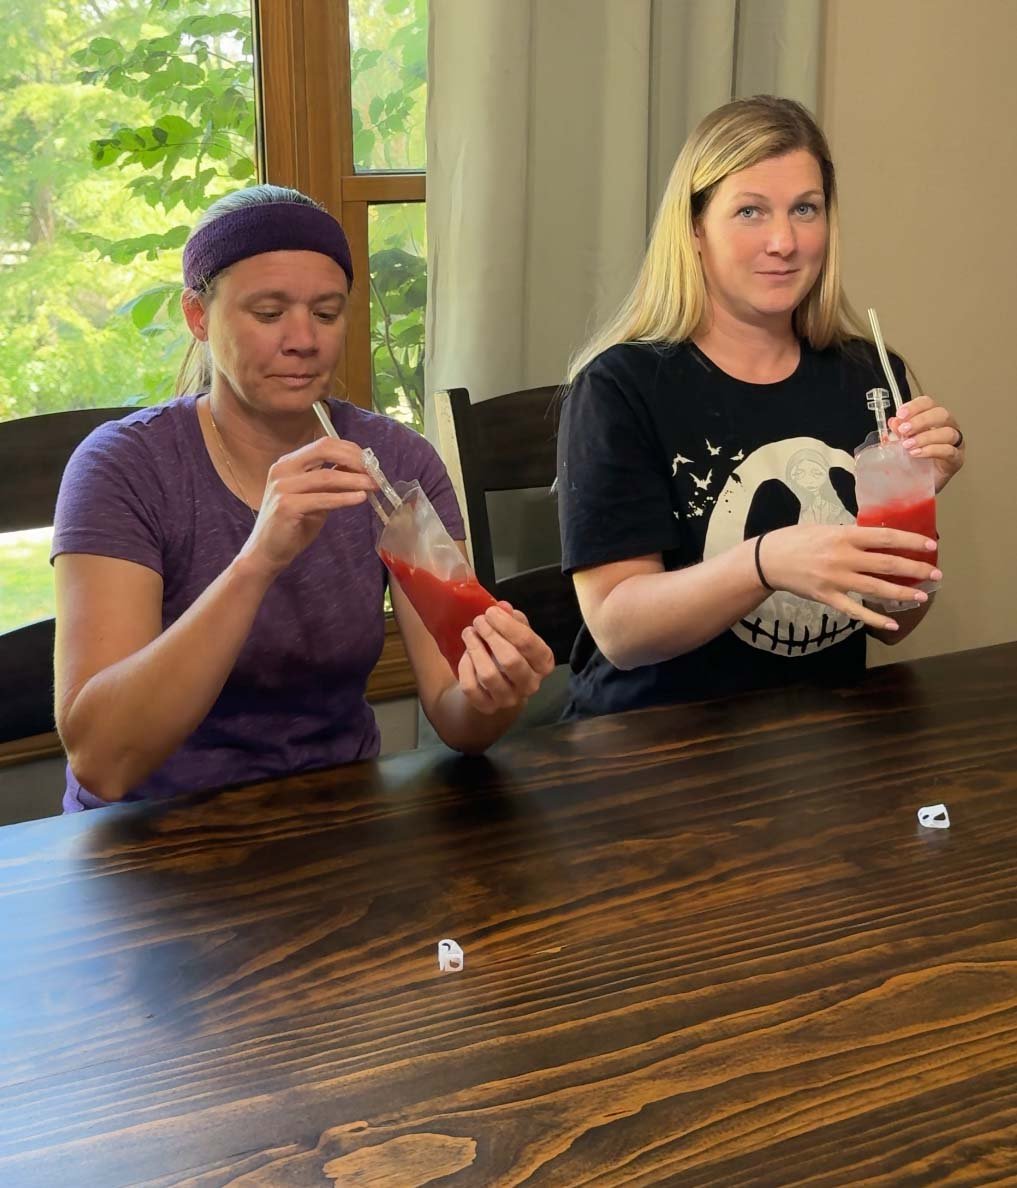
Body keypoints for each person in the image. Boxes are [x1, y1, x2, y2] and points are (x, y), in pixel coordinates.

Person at [52, 184, 554, 811]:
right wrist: (257, 561)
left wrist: (493, 690)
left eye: (326, 312)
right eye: (268, 314)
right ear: (198, 316)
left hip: (336, 819)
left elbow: (457, 716)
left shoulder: (393, 463)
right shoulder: (124, 467)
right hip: (152, 842)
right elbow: (103, 761)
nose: (304, 340)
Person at [556, 96, 964, 719]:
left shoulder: (872, 378)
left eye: (806, 209)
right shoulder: (619, 387)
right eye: (750, 211)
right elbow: (619, 630)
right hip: (653, 748)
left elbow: (892, 624)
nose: (784, 241)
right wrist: (765, 561)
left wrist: (915, 506)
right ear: (693, 227)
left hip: (821, 741)